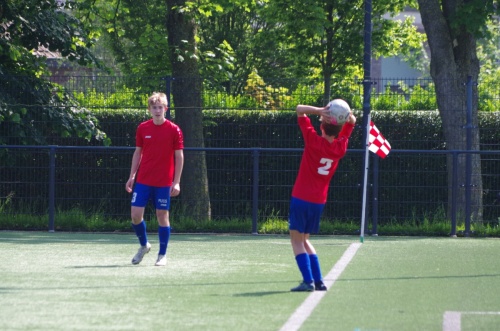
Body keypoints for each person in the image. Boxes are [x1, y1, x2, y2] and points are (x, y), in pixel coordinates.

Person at [289, 100, 356, 291]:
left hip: (301, 197)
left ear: (322, 125)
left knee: (296, 241)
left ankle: (308, 281)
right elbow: (352, 120)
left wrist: (320, 110)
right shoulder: (340, 147)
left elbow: (299, 110)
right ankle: (318, 281)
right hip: (319, 201)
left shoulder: (313, 140)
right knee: (305, 240)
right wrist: (343, 115)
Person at [125, 92, 184, 266]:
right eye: (154, 107)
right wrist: (132, 176)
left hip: (164, 182)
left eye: (160, 107)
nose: (157, 110)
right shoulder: (143, 128)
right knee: (135, 215)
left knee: (162, 215)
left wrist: (177, 181)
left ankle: (162, 255)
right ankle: (144, 246)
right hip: (143, 180)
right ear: (149, 109)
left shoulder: (174, 130)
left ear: (165, 109)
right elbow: (138, 152)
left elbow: (179, 156)